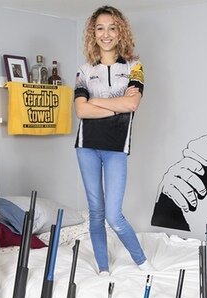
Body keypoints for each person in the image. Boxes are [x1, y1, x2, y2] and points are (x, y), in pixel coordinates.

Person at [74, 5, 152, 274]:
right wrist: (115, 106)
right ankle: (103, 268)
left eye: (112, 28)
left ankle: (142, 262)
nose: (105, 34)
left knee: (113, 215)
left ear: (121, 33)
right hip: (86, 147)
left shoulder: (134, 66)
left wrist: (95, 102)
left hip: (116, 148)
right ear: (93, 33)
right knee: (95, 212)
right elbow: (81, 111)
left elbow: (132, 105)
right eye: (100, 28)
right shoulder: (85, 70)